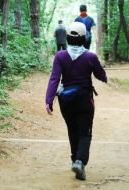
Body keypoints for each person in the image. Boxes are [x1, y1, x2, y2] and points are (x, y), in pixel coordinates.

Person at [45, 22, 107, 181]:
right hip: (84, 100)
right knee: (84, 133)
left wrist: (49, 100)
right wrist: (105, 77)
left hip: (65, 101)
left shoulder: (60, 56)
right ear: (84, 38)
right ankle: (80, 162)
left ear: (67, 38)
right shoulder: (90, 56)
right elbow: (100, 75)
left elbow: (54, 78)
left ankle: (75, 161)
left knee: (72, 131)